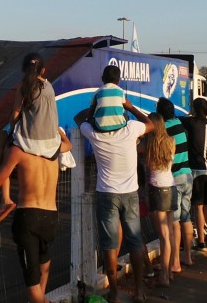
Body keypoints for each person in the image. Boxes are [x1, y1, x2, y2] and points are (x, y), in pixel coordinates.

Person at [76, 94, 152, 303]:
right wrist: (130, 106)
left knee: (109, 246)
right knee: (135, 241)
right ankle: (138, 291)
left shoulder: (95, 134)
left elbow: (78, 120)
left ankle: (114, 294)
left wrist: (93, 108)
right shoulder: (130, 130)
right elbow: (150, 124)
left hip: (106, 194)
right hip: (130, 193)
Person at [0, 106, 71, 303]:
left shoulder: (18, 151)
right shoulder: (54, 148)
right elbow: (68, 145)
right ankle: (41, 298)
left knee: (31, 279)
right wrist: (59, 132)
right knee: (44, 261)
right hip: (51, 216)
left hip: (28, 217)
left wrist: (0, 148)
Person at [0, 53, 62, 224]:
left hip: (30, 141)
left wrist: (11, 130)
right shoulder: (50, 86)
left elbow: (16, 113)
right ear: (43, 70)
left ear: (24, 69)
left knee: (7, 152)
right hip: (52, 143)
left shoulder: (24, 86)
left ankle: (7, 200)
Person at [156, 97, 194, 271]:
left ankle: (176, 262)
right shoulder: (179, 122)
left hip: (176, 178)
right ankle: (188, 257)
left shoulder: (165, 129)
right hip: (187, 175)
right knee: (187, 218)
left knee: (175, 222)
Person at [179, 97, 207, 249]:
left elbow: (178, 118)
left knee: (197, 206)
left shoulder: (191, 123)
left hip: (196, 168)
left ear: (195, 109)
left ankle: (202, 241)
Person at [141, 112, 176, 287]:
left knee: (162, 236)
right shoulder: (171, 142)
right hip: (171, 186)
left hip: (157, 190)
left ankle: (163, 276)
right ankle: (168, 273)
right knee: (168, 234)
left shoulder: (147, 145)